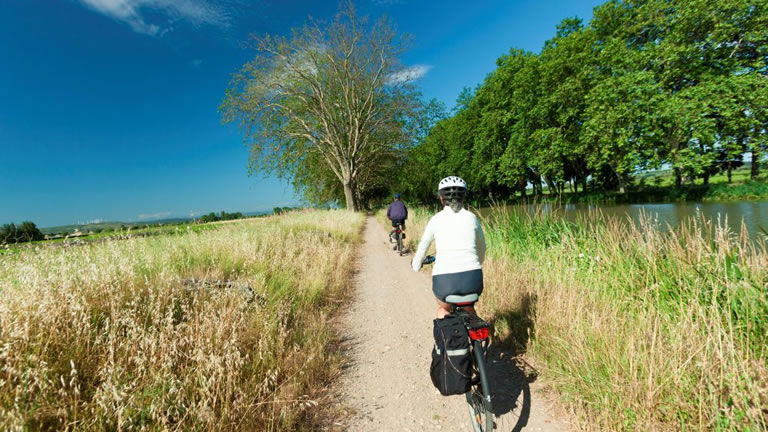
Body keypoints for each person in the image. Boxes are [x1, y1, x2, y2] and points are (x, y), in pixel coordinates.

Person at [411, 176, 486, 318]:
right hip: (473, 277)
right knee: (469, 307)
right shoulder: (472, 217)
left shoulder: (436, 219)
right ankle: (476, 335)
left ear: (441, 197)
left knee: (443, 308)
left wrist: (416, 265)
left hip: (445, 280)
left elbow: (423, 246)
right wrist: (478, 262)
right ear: (463, 196)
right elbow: (482, 246)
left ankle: (446, 339)